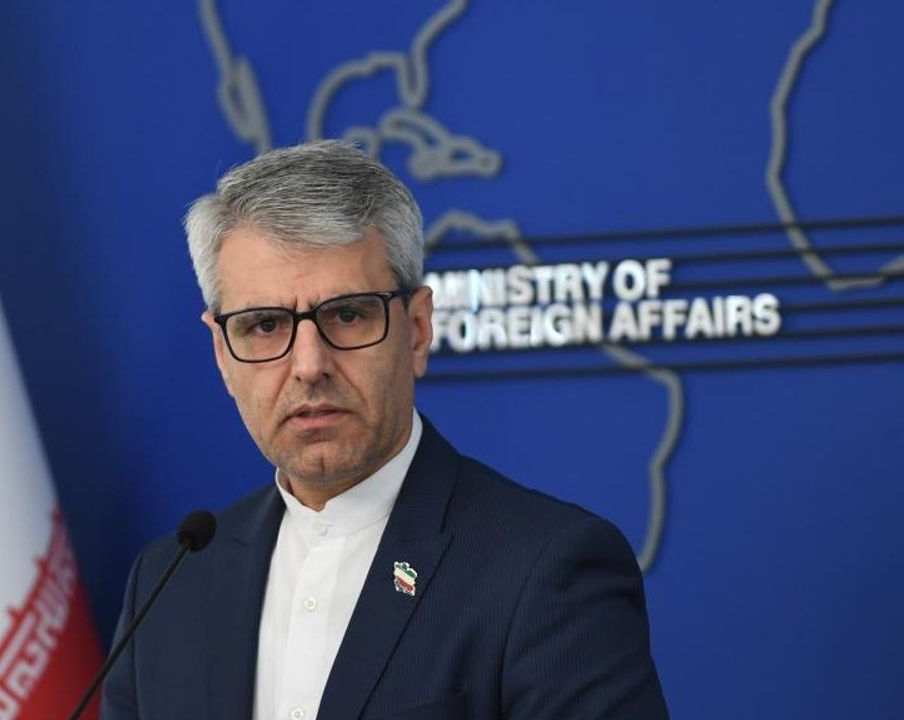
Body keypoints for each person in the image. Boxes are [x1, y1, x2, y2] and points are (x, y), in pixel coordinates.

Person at [100, 141, 668, 719]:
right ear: (223, 353)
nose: (308, 365)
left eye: (348, 315)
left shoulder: (545, 570)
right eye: (265, 325)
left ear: (417, 329)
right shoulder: (169, 581)